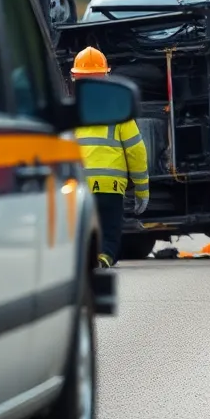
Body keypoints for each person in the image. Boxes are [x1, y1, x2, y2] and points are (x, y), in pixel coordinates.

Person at [71, 46, 150, 268]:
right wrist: (142, 189)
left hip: (81, 187)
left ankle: (85, 260)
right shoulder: (119, 108)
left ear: (75, 77)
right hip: (111, 187)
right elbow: (136, 150)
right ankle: (104, 256)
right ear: (106, 75)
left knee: (84, 228)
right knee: (110, 232)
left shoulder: (73, 110)